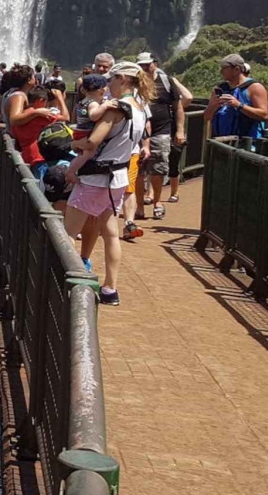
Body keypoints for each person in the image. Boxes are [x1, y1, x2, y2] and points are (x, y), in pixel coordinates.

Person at [65, 62, 154, 306]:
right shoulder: (141, 108)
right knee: (111, 235)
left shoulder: (116, 110)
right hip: (118, 178)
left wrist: (74, 145)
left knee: (69, 233)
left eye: (112, 79)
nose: (108, 85)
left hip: (96, 178)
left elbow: (92, 142)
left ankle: (74, 282)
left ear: (123, 79)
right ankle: (110, 289)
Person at [135, 52, 189, 219]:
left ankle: (157, 202)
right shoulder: (134, 82)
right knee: (138, 170)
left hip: (162, 131)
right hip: (139, 132)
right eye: (141, 65)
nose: (144, 68)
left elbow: (178, 107)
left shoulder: (167, 81)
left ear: (155, 63)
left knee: (158, 169)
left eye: (147, 64)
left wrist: (180, 130)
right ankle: (139, 206)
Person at [209, 53, 268, 139]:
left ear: (237, 69)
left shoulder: (254, 87)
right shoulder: (220, 88)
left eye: (225, 68)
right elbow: (207, 116)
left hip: (246, 143)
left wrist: (238, 105)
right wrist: (213, 105)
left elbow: (264, 115)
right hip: (220, 141)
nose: (221, 71)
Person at [11, 88, 64, 172]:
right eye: (45, 102)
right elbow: (66, 117)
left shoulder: (21, 116)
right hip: (38, 156)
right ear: (41, 100)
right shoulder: (40, 117)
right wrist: (60, 98)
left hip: (26, 155)